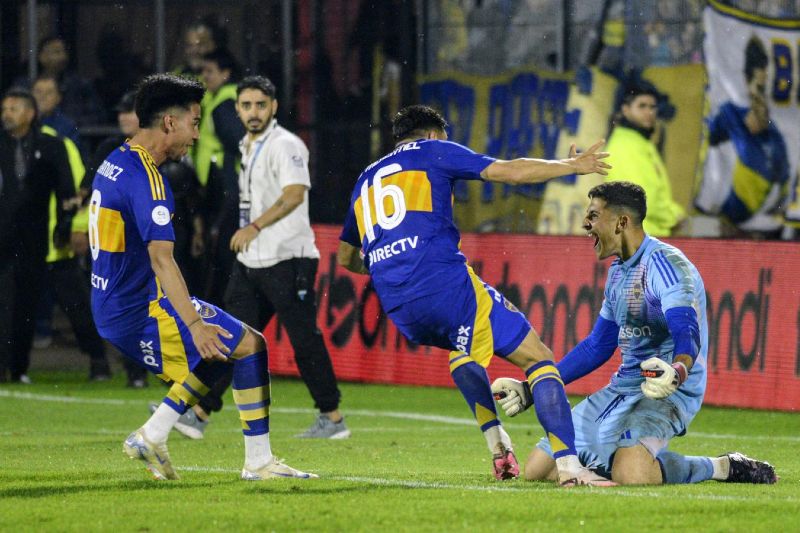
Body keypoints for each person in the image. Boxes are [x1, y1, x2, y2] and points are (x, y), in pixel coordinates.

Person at [336, 104, 613, 485]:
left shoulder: (365, 179)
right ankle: (569, 467)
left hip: (399, 307)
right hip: (442, 285)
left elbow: (346, 257)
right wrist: (571, 167)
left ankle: (498, 445)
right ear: (433, 134)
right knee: (539, 358)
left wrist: (389, 261)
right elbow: (510, 171)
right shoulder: (433, 151)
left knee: (461, 346)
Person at [88, 73, 314, 481]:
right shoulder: (150, 181)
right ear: (170, 123)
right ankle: (258, 462)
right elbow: (162, 260)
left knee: (218, 354)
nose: (196, 134)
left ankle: (153, 434)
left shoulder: (116, 160)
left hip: (113, 301)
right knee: (248, 346)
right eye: (194, 122)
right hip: (141, 307)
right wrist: (192, 323)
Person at [491, 181, 777, 486]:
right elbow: (597, 346)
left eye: (593, 216)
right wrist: (534, 387)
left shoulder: (666, 265)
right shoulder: (618, 272)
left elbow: (687, 331)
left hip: (667, 387)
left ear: (621, 222)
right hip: (623, 387)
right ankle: (613, 462)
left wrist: (678, 370)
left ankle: (721, 467)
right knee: (539, 469)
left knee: (633, 474)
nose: (586, 224)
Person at [0, 89, 76, 383]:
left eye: (14, 108)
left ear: (30, 113)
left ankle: (19, 368)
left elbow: (66, 190)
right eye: (4, 108)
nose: (7, 114)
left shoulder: (51, 146)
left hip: (32, 239)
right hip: (1, 237)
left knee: (26, 305)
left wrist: (66, 225)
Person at [705, 35, 789, 235]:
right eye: (759, 88)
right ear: (746, 82)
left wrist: (767, 223)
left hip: (762, 233)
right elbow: (703, 146)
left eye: (766, 90)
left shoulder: (776, 136)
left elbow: (783, 191)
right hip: (727, 226)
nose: (762, 97)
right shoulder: (729, 115)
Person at [194, 48, 244, 304]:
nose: (204, 76)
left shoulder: (224, 105)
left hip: (224, 186)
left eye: (210, 71)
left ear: (226, 74)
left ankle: (222, 306)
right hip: (225, 185)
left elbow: (239, 143)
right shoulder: (224, 100)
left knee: (222, 252)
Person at [604, 83, 685, 236]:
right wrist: (674, 217)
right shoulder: (626, 146)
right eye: (642, 106)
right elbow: (644, 199)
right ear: (625, 110)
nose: (648, 112)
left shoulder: (640, 143)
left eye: (652, 107)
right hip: (640, 242)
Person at [32, 76, 80, 147]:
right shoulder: (22, 121)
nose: (43, 96)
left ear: (58, 98)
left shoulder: (67, 126)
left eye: (49, 92)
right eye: (38, 92)